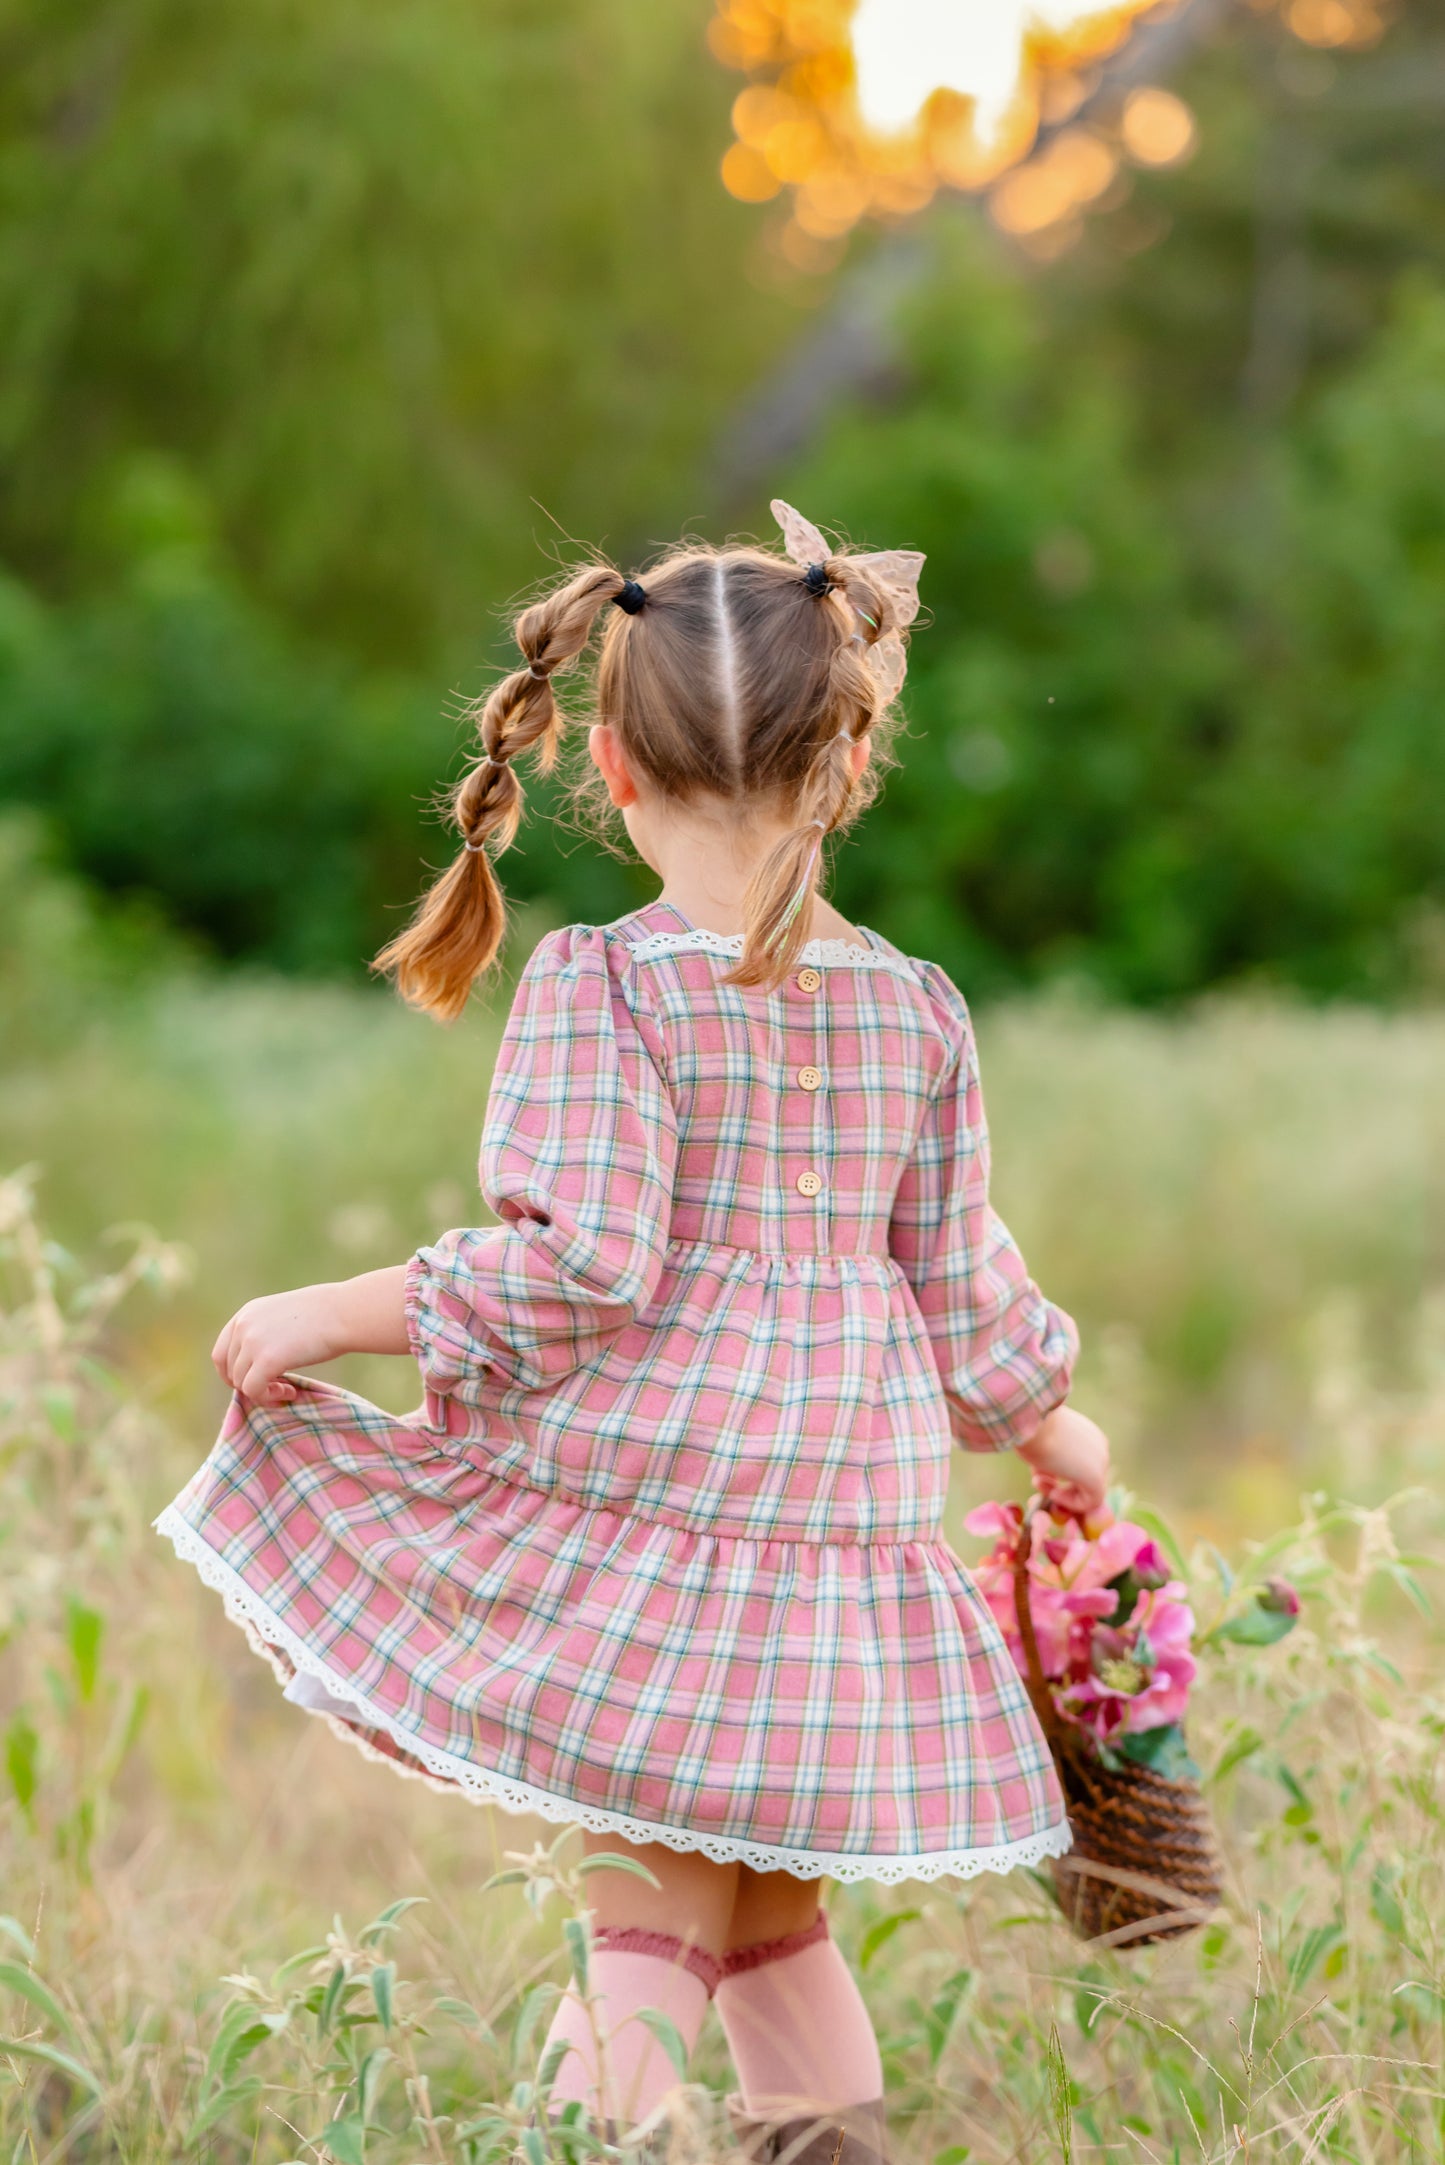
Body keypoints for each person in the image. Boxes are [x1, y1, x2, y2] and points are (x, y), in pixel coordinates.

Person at [157, 500, 1110, 2162]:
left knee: (648, 1935)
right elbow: (961, 1281)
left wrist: (336, 1310)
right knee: (765, 1929)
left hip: (679, 1543)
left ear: (607, 759)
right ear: (845, 762)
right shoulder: (915, 1002)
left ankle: (588, 2146)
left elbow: (583, 1265)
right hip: (831, 1550)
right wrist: (1050, 1421)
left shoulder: (612, 982)